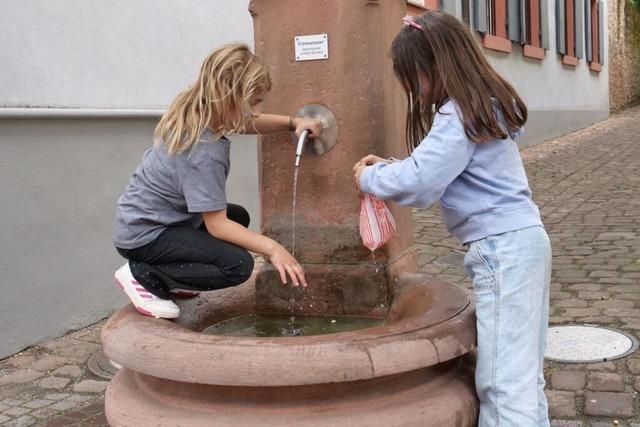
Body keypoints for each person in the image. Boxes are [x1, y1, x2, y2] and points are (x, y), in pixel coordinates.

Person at [353, 12, 551, 427]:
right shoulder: (481, 104)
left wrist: (369, 178)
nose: (417, 92)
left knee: (502, 384)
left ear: (434, 66)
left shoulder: (456, 113)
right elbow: (438, 168)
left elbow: (422, 181)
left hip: (502, 250)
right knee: (523, 376)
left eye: (415, 79)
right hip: (525, 242)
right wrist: (392, 166)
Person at [113, 43, 319, 319]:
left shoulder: (197, 110)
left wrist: (293, 122)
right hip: (146, 236)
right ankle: (143, 275)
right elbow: (217, 226)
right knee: (237, 265)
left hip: (148, 220)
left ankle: (177, 277)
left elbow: (245, 121)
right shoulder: (204, 151)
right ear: (229, 97)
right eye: (254, 101)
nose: (258, 110)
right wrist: (273, 248)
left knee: (238, 217)